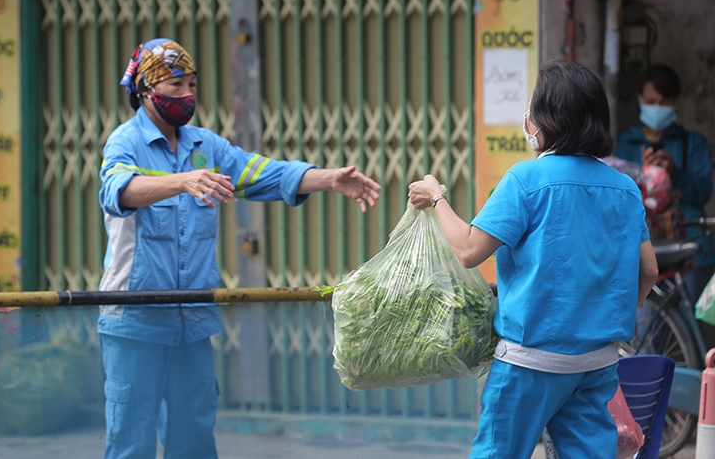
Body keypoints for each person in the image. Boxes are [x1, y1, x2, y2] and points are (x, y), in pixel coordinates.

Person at [98, 38, 381, 459]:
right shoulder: (126, 142)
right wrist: (181, 182)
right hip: (135, 318)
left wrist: (327, 179)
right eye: (175, 84)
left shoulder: (205, 147)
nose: (187, 93)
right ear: (145, 89)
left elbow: (262, 173)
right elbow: (116, 191)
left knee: (193, 437)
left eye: (192, 83)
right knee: (131, 441)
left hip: (192, 320)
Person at [408, 60, 657, 459]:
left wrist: (436, 196)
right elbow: (649, 270)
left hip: (529, 363)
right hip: (595, 363)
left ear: (546, 119)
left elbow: (469, 251)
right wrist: (609, 315)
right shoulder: (625, 188)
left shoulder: (525, 180)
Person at [615, 64, 714, 309]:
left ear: (676, 101)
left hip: (691, 251)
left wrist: (673, 176)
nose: (656, 108)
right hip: (646, 249)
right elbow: (619, 198)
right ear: (640, 100)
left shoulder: (694, 143)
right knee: (650, 332)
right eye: (651, 101)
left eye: (663, 101)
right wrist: (647, 176)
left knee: (690, 332)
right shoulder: (627, 144)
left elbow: (703, 193)